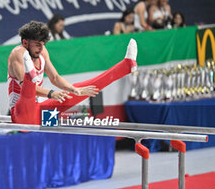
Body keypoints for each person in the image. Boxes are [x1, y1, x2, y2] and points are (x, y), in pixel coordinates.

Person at [7, 21, 138, 125]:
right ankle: (30, 75)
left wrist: (74, 90)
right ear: (25, 42)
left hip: (38, 112)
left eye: (43, 44)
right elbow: (27, 89)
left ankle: (126, 65)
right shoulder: (18, 53)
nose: (41, 48)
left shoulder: (42, 51)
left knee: (80, 89)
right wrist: (51, 93)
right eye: (37, 44)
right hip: (21, 115)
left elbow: (55, 78)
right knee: (27, 90)